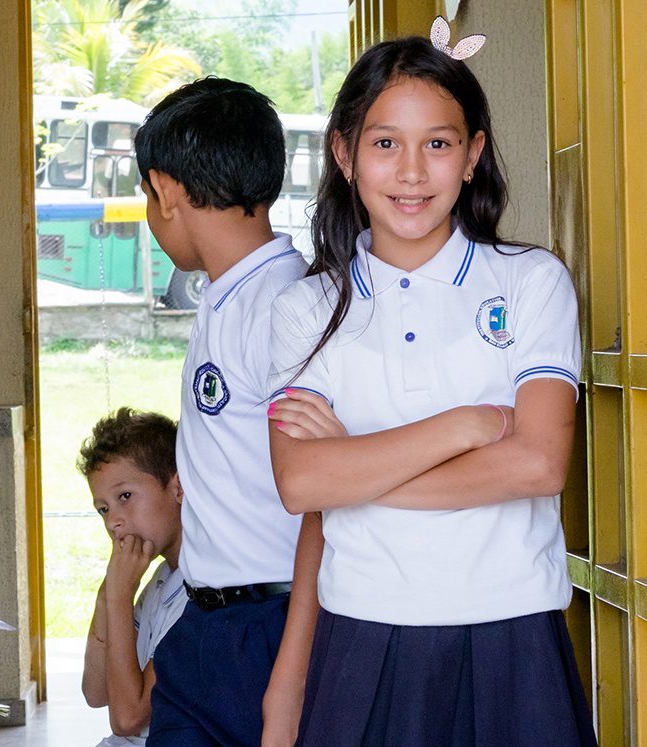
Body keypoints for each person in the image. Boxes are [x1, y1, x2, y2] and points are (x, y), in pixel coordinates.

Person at [265, 30, 598, 746]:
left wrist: (355, 467)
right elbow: (300, 482)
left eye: (438, 145)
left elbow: (539, 463)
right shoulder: (305, 310)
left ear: (473, 154)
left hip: (515, 637)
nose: (412, 172)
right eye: (385, 144)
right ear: (344, 154)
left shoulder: (531, 283)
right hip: (363, 639)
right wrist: (465, 425)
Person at [131, 77, 310, 747]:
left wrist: (289, 673)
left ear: (166, 190)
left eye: (148, 197)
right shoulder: (225, 297)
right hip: (204, 626)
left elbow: (321, 502)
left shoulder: (285, 307)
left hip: (269, 626)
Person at [80, 408, 187, 747]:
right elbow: (96, 693)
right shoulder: (159, 579)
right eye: (104, 508)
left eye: (125, 496)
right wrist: (106, 600)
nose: (113, 522)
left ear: (178, 486)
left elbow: (127, 719)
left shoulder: (203, 590)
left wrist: (119, 597)